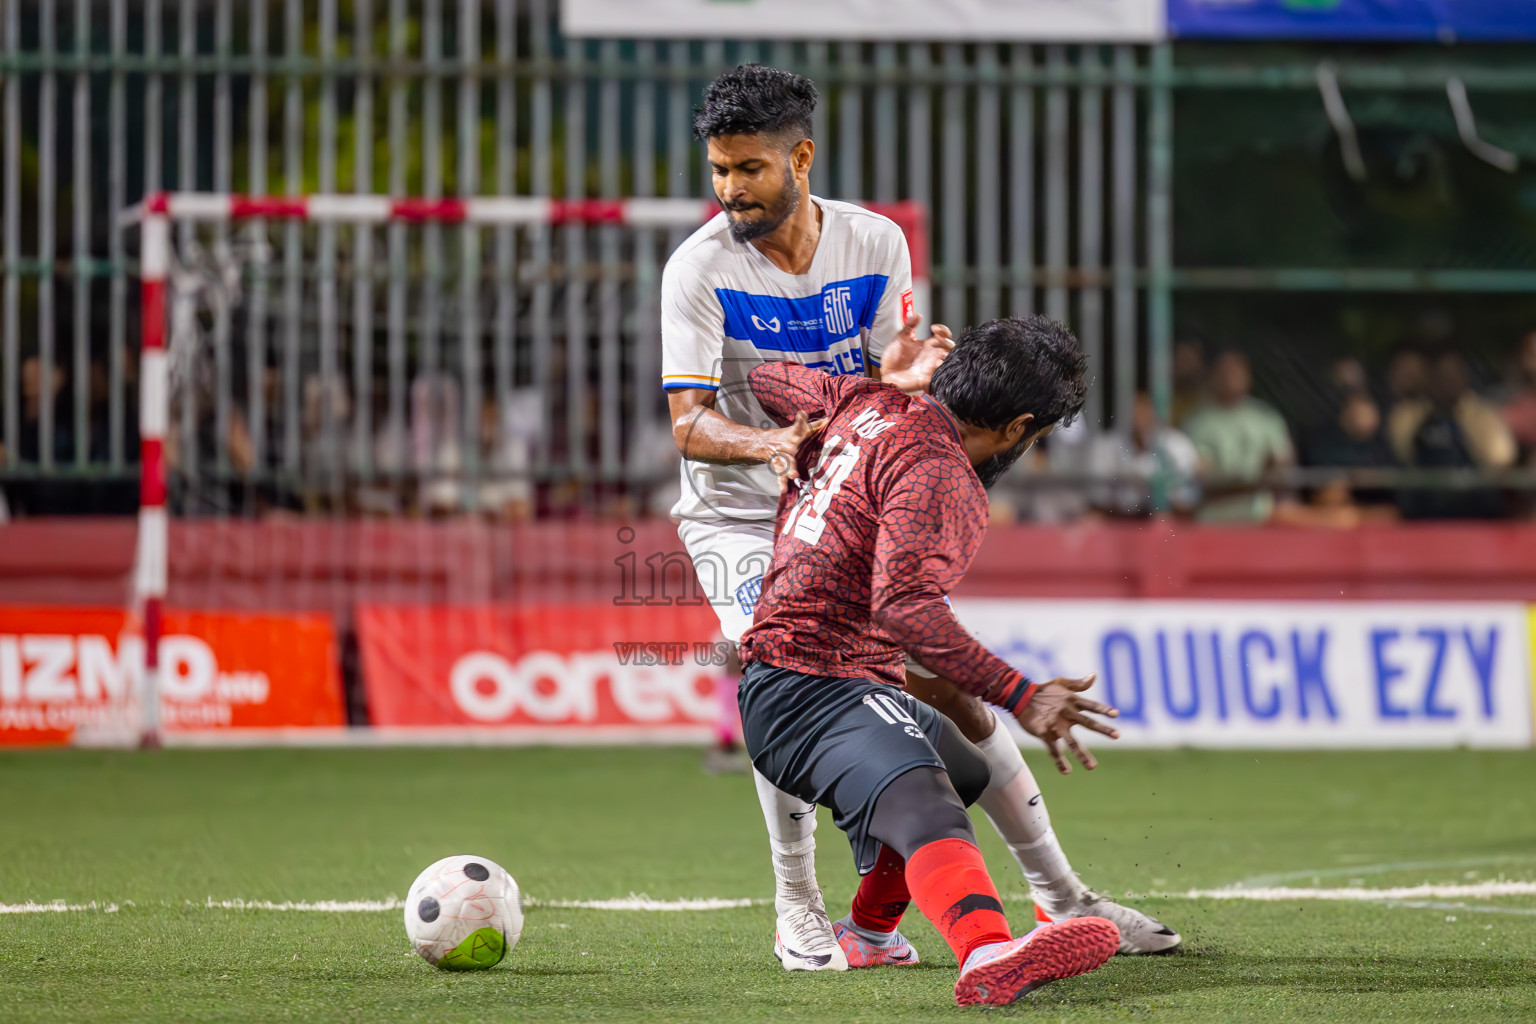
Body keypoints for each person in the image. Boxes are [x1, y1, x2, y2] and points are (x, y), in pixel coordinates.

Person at [661, 64, 1179, 971]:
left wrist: (906, 376)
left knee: (943, 685)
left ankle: (1063, 896)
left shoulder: (875, 244)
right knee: (775, 659)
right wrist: (767, 446)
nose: (729, 191)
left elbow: (887, 379)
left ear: (802, 157)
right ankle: (797, 905)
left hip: (844, 499)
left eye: (748, 169)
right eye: (719, 170)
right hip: (743, 517)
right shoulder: (698, 269)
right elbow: (688, 424)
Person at [737, 317, 1121, 1006]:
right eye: (1036, 436)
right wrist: (1022, 693)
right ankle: (986, 953)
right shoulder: (941, 472)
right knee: (930, 800)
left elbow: (764, 378)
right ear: (1017, 427)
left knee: (963, 765)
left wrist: (884, 380)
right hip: (813, 685)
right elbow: (906, 608)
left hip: (798, 673)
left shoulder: (868, 402)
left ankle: (868, 934)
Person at [1388, 350, 1515, 519]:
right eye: (1441, 376)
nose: (1447, 382)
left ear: (1464, 379)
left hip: (1474, 512)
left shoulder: (1483, 415)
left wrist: (1466, 423)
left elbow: (1501, 459)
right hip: (1422, 511)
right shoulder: (1410, 414)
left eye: (1453, 375)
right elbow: (1400, 453)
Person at [1182, 349, 1295, 524]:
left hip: (1260, 516)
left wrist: (1275, 469)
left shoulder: (1266, 417)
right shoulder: (1195, 423)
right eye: (1225, 372)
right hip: (1211, 518)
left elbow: (1282, 465)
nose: (1231, 378)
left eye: (1237, 372)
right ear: (1213, 376)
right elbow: (1199, 475)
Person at [1082, 391, 1200, 516]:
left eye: (1144, 409)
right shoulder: (1106, 445)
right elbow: (1098, 498)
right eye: (1134, 410)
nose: (1139, 416)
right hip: (1117, 518)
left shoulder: (1176, 443)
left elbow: (1187, 497)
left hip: (1164, 517)